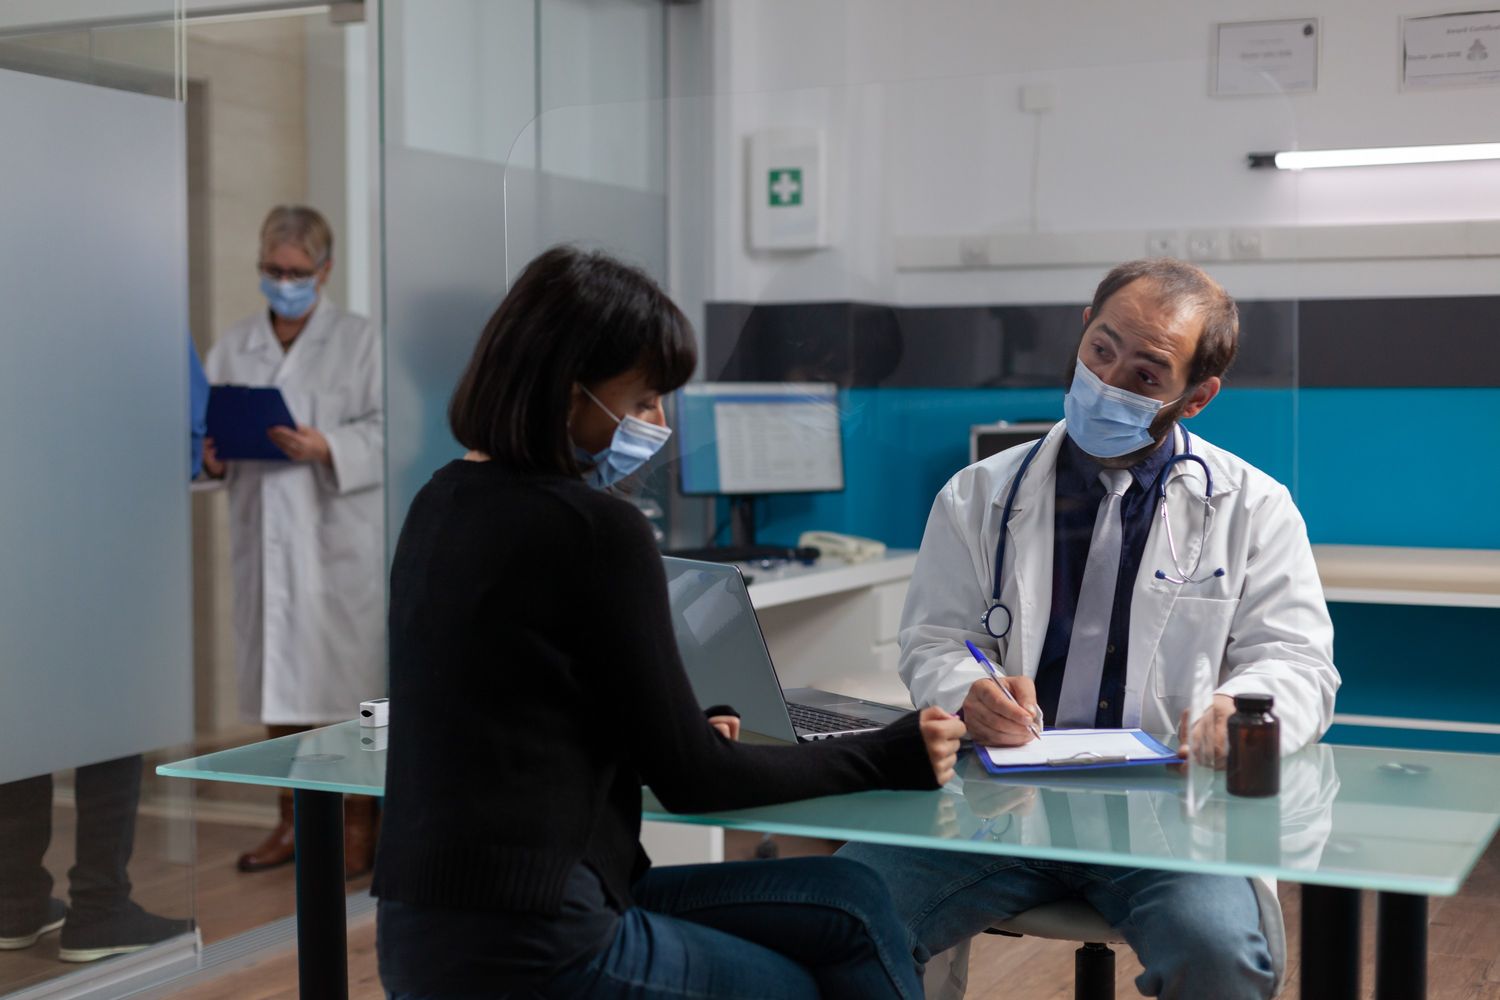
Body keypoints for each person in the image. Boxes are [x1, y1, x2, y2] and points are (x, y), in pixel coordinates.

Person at [372, 245, 968, 999]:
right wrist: (889, 753)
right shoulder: (597, 527)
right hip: (540, 940)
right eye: (647, 399)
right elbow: (694, 782)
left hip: (424, 932)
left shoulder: (439, 502)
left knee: (853, 901)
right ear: (570, 389)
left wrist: (673, 726)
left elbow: (524, 712)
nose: (659, 424)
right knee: (804, 986)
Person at [839, 258, 1340, 1000]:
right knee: (839, 916)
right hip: (994, 807)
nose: (1107, 383)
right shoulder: (977, 495)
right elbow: (934, 641)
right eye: (1101, 350)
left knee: (1221, 957)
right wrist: (969, 691)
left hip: (1173, 817)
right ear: (1082, 329)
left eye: (1145, 375)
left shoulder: (1253, 509)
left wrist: (1241, 710)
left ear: (1196, 396)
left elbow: (1297, 662)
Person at [201, 205, 384, 877]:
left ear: (325, 270)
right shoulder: (236, 342)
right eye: (272, 271)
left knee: (345, 694)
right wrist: (212, 460)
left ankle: (358, 826)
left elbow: (393, 431)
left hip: (335, 540)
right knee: (279, 692)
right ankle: (290, 821)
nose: (283, 282)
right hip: (264, 540)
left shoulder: (360, 340)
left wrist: (326, 444)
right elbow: (202, 433)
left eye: (296, 272)